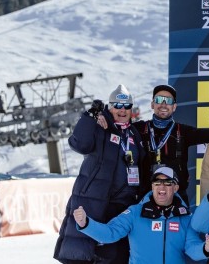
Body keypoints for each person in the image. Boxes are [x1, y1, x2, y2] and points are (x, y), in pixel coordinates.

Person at [55, 85, 148, 263]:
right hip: (95, 201)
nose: (122, 110)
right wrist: (90, 117)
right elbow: (79, 144)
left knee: (118, 256)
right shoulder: (100, 126)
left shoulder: (134, 134)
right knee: (86, 253)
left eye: (126, 106)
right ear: (109, 107)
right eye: (117, 105)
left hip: (124, 206)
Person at [119, 84, 209, 203]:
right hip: (145, 195)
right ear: (152, 104)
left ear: (174, 106)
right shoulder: (139, 129)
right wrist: (103, 116)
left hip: (176, 195)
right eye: (159, 100)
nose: (163, 104)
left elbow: (208, 135)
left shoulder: (182, 131)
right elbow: (117, 124)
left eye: (168, 101)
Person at [71, 167, 209, 263]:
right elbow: (110, 233)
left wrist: (206, 248)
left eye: (168, 183)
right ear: (152, 187)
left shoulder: (185, 217)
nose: (162, 187)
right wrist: (86, 223)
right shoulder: (134, 213)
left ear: (175, 188)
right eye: (157, 183)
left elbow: (192, 248)